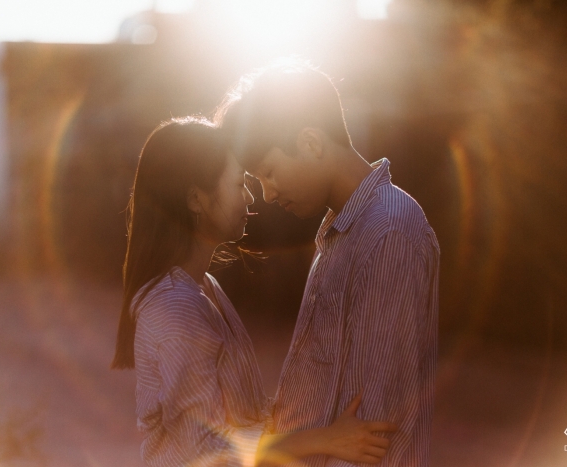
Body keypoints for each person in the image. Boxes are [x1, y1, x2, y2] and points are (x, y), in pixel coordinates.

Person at [111, 117, 397, 466]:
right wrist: (323, 439)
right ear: (196, 200)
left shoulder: (204, 288)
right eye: (238, 184)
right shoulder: (174, 307)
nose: (251, 198)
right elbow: (206, 452)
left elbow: (242, 417)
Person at [216, 61, 440, 466]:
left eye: (267, 172)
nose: (266, 194)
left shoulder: (388, 230)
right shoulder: (340, 230)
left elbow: (371, 425)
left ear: (311, 143)